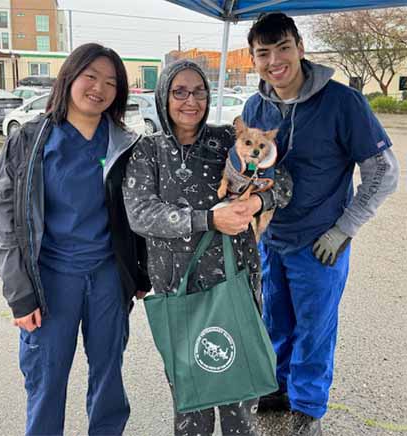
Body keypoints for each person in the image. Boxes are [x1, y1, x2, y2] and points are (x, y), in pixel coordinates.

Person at [242, 12, 400, 436]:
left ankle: (308, 405)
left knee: (315, 325)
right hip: (271, 239)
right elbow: (249, 168)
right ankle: (276, 387)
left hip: (320, 242)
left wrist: (344, 229)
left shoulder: (342, 102)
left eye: (283, 48)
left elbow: (383, 171)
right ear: (252, 58)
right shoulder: (255, 106)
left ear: (300, 48)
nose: (274, 61)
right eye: (263, 53)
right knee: (273, 317)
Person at [0, 43, 150, 436]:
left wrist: (139, 272)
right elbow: (2, 220)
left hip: (107, 277)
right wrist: (19, 293)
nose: (99, 88)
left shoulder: (124, 145)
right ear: (69, 78)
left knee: (109, 372)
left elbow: (140, 212)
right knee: (46, 376)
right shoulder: (30, 141)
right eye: (90, 76)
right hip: (50, 280)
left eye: (111, 82)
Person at [122, 59, 291, 436]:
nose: (190, 101)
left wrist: (257, 203)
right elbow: (141, 214)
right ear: (163, 95)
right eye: (179, 91)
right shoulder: (147, 151)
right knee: (191, 400)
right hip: (178, 291)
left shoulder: (226, 143)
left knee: (240, 400)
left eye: (198, 91)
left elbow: (283, 183)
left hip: (236, 287)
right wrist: (208, 219)